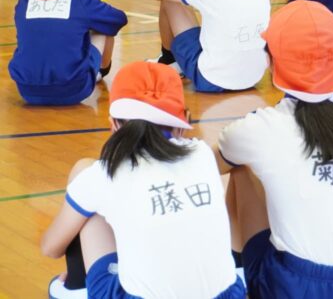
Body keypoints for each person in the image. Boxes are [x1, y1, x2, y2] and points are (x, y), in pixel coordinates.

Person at [216, 0, 333, 298]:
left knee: (241, 164)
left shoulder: (260, 128)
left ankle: (238, 271)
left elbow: (208, 167)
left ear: (272, 61)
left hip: (301, 287)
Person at [41, 61, 246, 299]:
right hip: (227, 295)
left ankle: (76, 285)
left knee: (85, 181)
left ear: (113, 124)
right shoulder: (203, 154)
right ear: (183, 123)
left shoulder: (103, 174)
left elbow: (50, 248)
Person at [9, 0, 126, 105]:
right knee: (102, 27)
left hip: (26, 90)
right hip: (74, 89)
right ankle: (100, 71)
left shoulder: (24, 0)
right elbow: (117, 19)